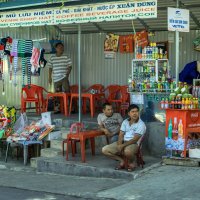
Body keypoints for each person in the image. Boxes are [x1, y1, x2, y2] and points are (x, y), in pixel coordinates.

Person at [102, 104, 146, 171]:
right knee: (105, 150)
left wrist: (122, 146)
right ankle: (122, 161)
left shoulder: (141, 124)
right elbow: (121, 135)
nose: (135, 113)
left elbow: (134, 140)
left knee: (127, 151)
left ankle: (132, 162)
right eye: (132, 112)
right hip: (123, 142)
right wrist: (119, 145)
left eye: (136, 111)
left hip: (134, 144)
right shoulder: (125, 122)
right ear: (129, 113)